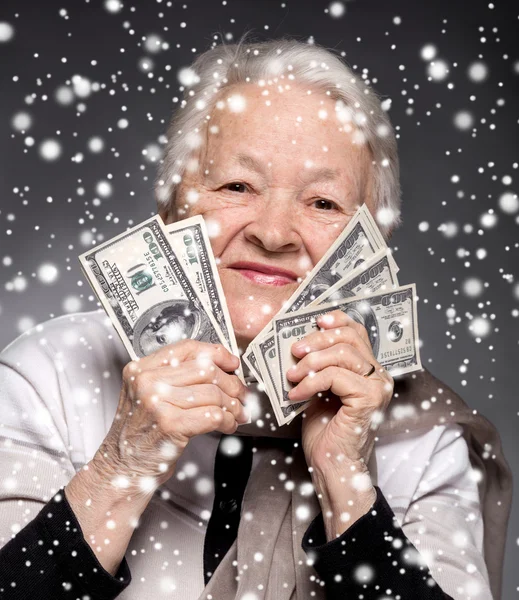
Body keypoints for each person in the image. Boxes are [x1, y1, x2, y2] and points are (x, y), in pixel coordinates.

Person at [0, 35, 512, 600]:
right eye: (236, 186)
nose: (272, 233)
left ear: (371, 245)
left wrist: (348, 484)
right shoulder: (51, 375)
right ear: (171, 211)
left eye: (322, 203)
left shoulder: (423, 437)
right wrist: (123, 464)